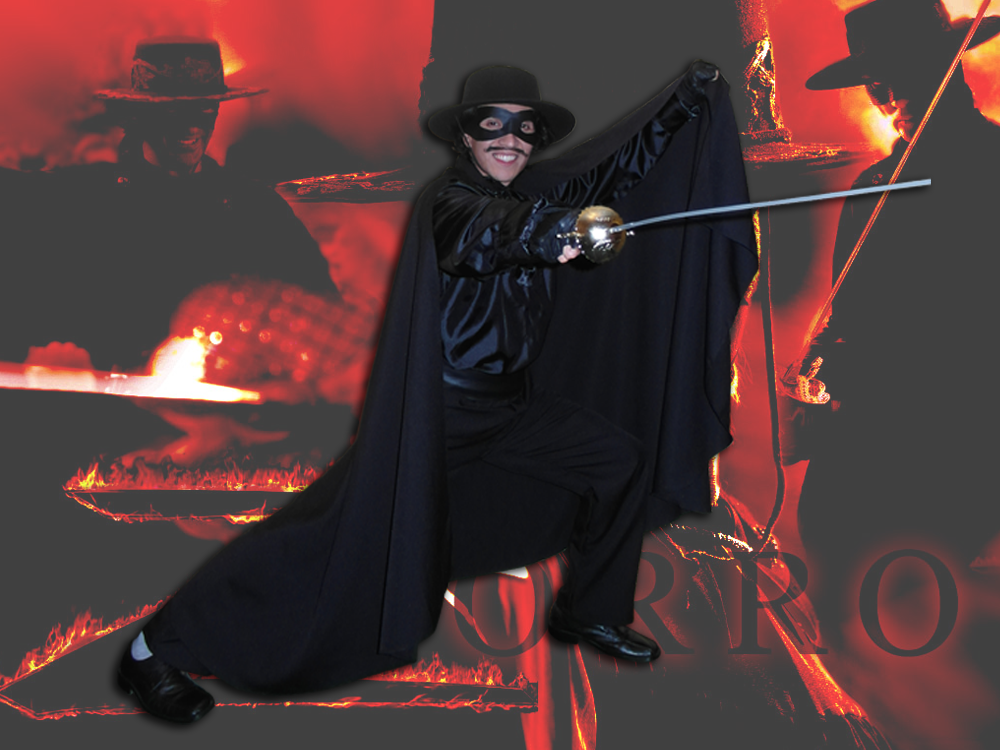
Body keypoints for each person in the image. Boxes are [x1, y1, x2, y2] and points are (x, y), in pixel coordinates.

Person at [117, 62, 756, 723]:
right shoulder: (450, 203)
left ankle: (590, 610)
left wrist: (684, 102)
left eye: (524, 128)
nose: (509, 140)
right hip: (436, 416)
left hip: (512, 408)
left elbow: (612, 170)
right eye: (492, 126)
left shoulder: (534, 194)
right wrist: (559, 233)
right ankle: (151, 650)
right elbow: (491, 234)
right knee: (322, 537)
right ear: (466, 137)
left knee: (618, 461)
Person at [785, 0, 1000, 642]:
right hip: (868, 448)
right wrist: (820, 370)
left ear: (950, 68)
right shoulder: (873, 186)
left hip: (958, 451)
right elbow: (849, 315)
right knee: (832, 587)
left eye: (904, 75)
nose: (886, 99)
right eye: (875, 84)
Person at [5, 36, 337, 373]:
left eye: (204, 108)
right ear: (142, 112)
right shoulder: (84, 198)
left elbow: (323, 318)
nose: (190, 125)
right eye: (173, 109)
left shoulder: (258, 211)